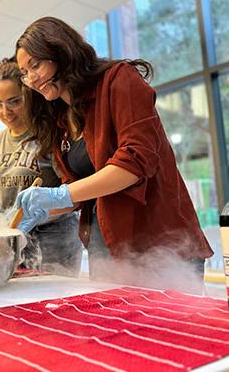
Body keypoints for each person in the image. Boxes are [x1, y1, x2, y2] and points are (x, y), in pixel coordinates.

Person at [13, 17, 213, 290]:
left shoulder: (118, 80)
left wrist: (60, 194)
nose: (31, 79)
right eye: (25, 72)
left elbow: (134, 162)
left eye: (35, 65)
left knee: (172, 330)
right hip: (106, 246)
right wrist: (44, 209)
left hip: (158, 241)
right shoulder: (62, 119)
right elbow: (82, 191)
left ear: (62, 53)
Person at [0, 57, 81, 274]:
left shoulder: (50, 134)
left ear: (28, 95)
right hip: (13, 241)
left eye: (14, 101)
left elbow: (75, 195)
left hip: (54, 242)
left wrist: (45, 210)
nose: (6, 111)